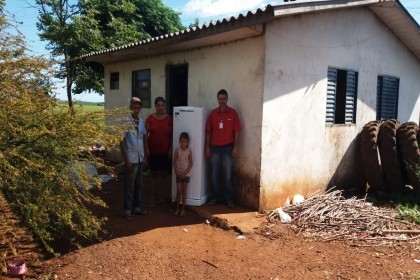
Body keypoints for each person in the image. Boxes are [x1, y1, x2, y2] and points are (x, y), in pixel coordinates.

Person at [205, 89, 241, 209]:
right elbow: (209, 132)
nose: (222, 101)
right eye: (220, 99)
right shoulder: (213, 114)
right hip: (214, 148)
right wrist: (207, 148)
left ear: (227, 99)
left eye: (224, 99)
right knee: (214, 174)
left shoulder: (233, 114)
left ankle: (229, 199)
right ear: (217, 99)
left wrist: (235, 147)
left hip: (227, 148)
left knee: (227, 175)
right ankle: (215, 197)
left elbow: (236, 132)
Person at [120, 97, 149, 220]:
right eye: (134, 108)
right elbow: (121, 142)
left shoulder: (141, 122)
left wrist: (146, 155)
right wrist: (126, 160)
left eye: (138, 108)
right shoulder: (126, 122)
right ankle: (127, 210)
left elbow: (144, 137)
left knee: (139, 185)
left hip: (140, 158)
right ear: (130, 108)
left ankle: (137, 208)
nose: (136, 110)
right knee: (130, 186)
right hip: (131, 159)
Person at [145, 96, 173, 207]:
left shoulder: (169, 119)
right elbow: (144, 135)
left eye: (162, 105)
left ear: (164, 106)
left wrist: (171, 148)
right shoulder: (150, 119)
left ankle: (162, 198)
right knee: (152, 176)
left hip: (165, 152)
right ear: (155, 106)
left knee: (163, 175)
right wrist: (146, 148)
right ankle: (152, 199)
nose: (160, 107)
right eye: (158, 105)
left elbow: (172, 135)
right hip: (152, 152)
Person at [173, 132, 193, 216]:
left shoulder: (189, 151)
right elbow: (174, 161)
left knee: (184, 192)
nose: (183, 143)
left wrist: (185, 173)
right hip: (178, 174)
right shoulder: (177, 150)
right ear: (179, 141)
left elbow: (191, 164)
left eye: (185, 142)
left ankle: (183, 209)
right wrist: (177, 171)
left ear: (188, 142)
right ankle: (177, 208)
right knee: (178, 191)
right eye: (181, 141)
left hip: (186, 175)